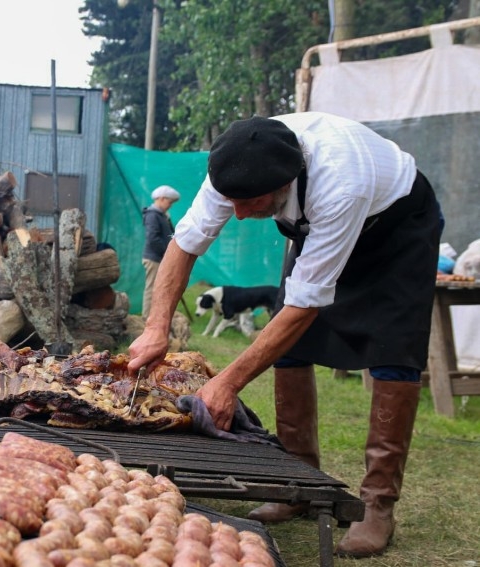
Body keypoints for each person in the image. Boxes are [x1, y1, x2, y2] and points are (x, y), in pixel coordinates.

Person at [128, 112, 442, 558]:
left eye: (249, 203)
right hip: (325, 224)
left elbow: (303, 307)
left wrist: (228, 382)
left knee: (394, 356)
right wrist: (156, 327)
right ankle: (296, 484)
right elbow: (184, 243)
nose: (235, 214)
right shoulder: (239, 165)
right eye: (230, 200)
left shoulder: (340, 184)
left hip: (396, 229)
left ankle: (377, 506)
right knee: (289, 354)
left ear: (284, 184)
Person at [141, 185, 180, 318]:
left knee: (159, 289)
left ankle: (155, 316)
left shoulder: (162, 216)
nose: (170, 206)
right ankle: (146, 318)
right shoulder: (153, 215)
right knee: (151, 289)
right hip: (154, 258)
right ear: (162, 199)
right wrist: (167, 253)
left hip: (159, 257)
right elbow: (153, 238)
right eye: (169, 202)